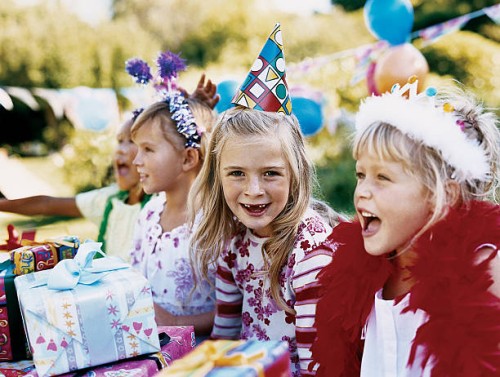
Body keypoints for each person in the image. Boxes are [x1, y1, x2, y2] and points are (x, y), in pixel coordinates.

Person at [311, 78, 500, 377]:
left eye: (382, 178)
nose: (362, 191)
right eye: (360, 175)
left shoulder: (484, 269)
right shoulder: (359, 276)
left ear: (442, 195)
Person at [0, 73, 219, 262]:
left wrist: (192, 115)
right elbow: (46, 204)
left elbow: (190, 172)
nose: (123, 152)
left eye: (139, 145)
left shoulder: (160, 202)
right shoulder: (112, 201)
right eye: (119, 141)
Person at [129, 93, 217, 336]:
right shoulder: (149, 213)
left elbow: (241, 305)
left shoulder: (217, 222)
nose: (137, 160)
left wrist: (177, 323)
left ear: (189, 157)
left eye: (148, 149)